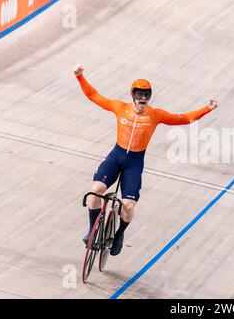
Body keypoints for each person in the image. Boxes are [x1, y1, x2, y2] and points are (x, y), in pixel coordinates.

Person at [74, 64, 217, 256]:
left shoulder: (155, 115)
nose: (143, 98)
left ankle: (119, 235)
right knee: (95, 191)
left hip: (134, 162)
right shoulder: (120, 107)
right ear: (133, 95)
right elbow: (94, 96)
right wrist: (80, 76)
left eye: (146, 95)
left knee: (128, 205)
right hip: (116, 156)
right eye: (140, 94)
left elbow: (183, 119)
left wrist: (207, 108)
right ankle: (92, 231)